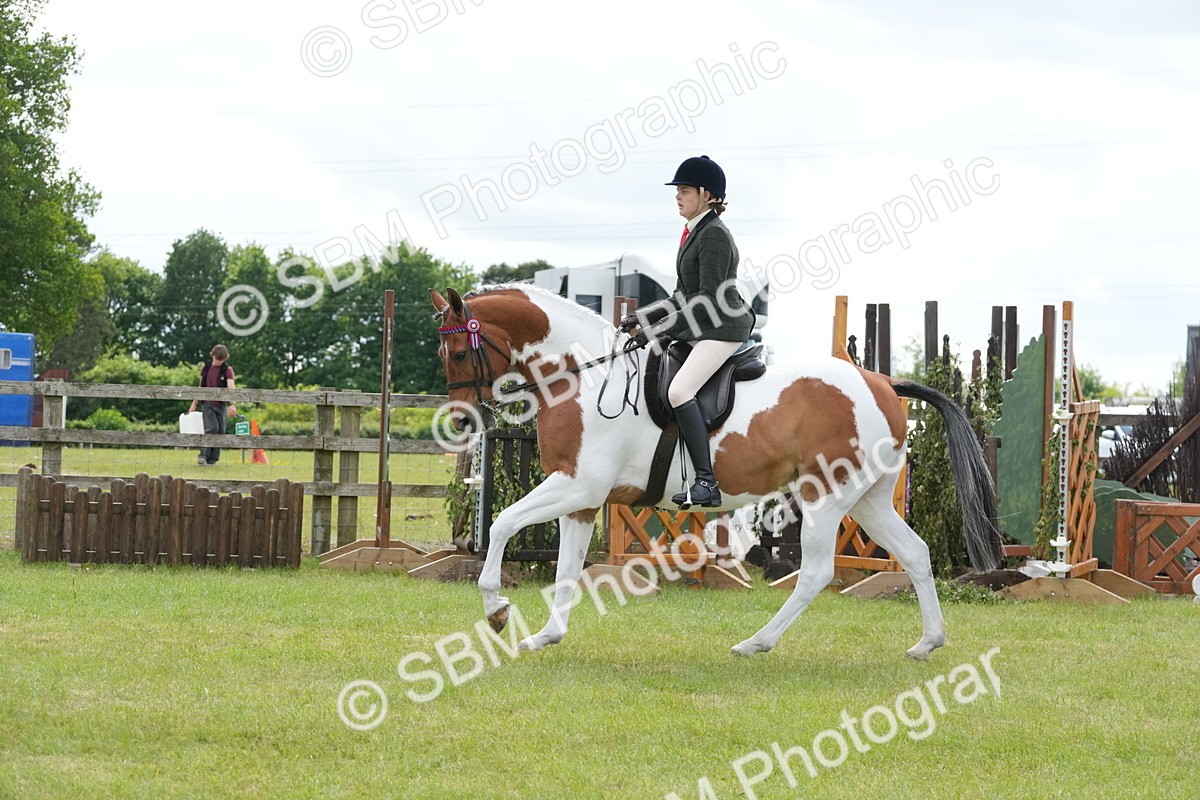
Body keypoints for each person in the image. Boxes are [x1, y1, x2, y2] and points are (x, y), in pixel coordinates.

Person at [623, 155, 755, 508]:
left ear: (706, 194)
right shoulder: (695, 231)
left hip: (723, 326)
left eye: (684, 190)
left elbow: (706, 300)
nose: (677, 196)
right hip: (706, 323)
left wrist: (659, 331)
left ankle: (707, 482)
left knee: (680, 390)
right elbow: (683, 295)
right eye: (677, 190)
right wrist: (644, 318)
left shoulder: (713, 235)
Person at [188, 344, 237, 466]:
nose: (217, 362)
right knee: (212, 428)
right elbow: (201, 386)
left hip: (220, 405)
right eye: (216, 358)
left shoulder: (227, 370)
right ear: (212, 355)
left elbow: (231, 386)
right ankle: (203, 455)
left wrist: (233, 404)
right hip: (207, 404)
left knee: (220, 431)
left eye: (220, 360)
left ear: (225, 359)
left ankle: (213, 459)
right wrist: (194, 404)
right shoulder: (206, 367)